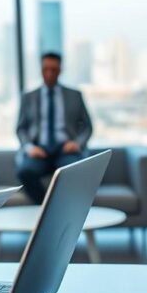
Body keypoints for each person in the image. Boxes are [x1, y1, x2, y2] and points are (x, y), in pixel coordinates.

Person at [15, 52, 93, 205]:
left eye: (53, 69)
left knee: (74, 172)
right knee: (25, 171)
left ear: (60, 70)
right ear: (41, 70)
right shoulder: (29, 97)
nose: (49, 73)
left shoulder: (75, 95)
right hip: (39, 150)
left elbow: (87, 127)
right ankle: (48, 208)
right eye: (46, 69)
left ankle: (60, 210)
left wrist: (77, 143)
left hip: (65, 149)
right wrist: (30, 147)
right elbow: (20, 128)